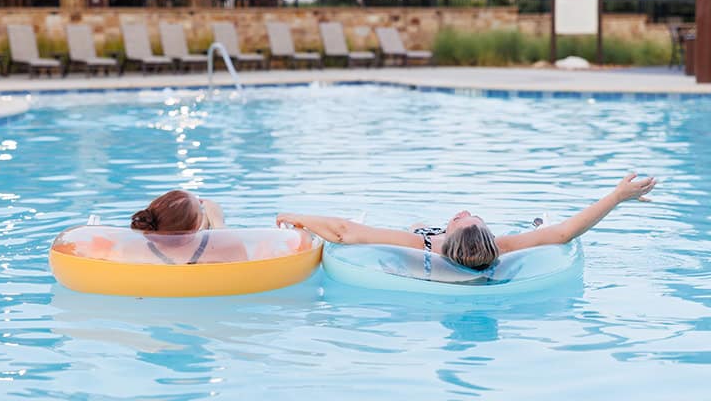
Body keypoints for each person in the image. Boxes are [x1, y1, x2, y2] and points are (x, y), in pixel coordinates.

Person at [276, 173, 657, 271]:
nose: (461, 212)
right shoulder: (502, 246)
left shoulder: (423, 244)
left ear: (446, 236)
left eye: (460, 219)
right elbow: (562, 232)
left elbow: (345, 231)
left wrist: (297, 217)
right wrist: (617, 198)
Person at [130, 190, 235, 264]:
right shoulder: (221, 251)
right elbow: (233, 250)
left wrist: (203, 229)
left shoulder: (137, 252)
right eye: (200, 211)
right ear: (195, 226)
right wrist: (217, 221)